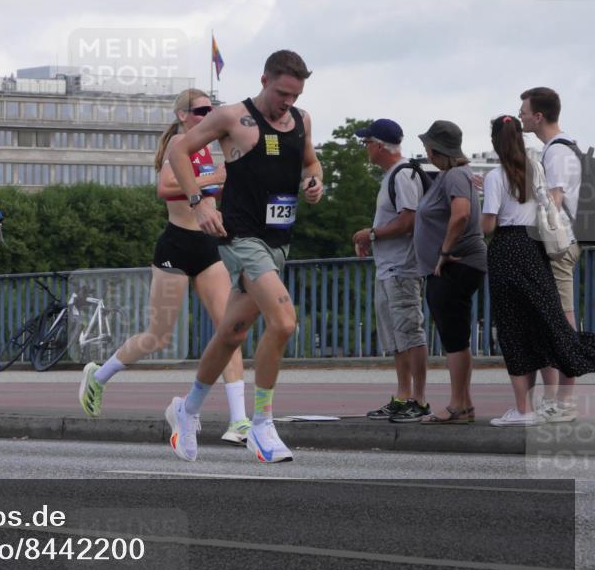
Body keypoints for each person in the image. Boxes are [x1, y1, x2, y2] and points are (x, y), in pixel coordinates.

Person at [164, 50, 324, 463]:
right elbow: (180, 150)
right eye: (282, 92)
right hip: (241, 236)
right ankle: (262, 424)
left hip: (278, 240)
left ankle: (188, 410)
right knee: (284, 322)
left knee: (232, 331)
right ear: (264, 80)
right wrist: (199, 202)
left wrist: (314, 182)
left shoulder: (302, 120)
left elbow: (311, 163)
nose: (287, 102)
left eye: (295, 94)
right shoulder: (233, 117)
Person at [78, 88, 250, 443]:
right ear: (183, 115)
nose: (208, 115)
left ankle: (239, 420)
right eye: (201, 110)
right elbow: (166, 187)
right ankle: (98, 376)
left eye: (211, 109)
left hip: (208, 247)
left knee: (229, 329)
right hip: (175, 246)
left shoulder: (210, 147)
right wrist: (214, 178)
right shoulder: (180, 148)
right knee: (159, 336)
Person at [482, 115, 595, 426]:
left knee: (512, 329)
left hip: (506, 249)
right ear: (520, 139)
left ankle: (523, 409)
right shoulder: (536, 170)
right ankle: (555, 390)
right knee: (543, 321)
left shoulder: (495, 177)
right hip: (534, 248)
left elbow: (489, 224)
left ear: (495, 143)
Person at [352, 119, 430, 423]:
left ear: (380, 146)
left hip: (403, 267)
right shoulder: (391, 176)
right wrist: (373, 238)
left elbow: (408, 220)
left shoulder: (403, 173)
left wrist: (371, 235)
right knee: (397, 336)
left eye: (367, 143)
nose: (366, 149)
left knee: (410, 331)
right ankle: (402, 395)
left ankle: (419, 399)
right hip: (388, 266)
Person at [414, 121, 487, 424]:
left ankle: (458, 404)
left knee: (454, 336)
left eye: (428, 147)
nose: (426, 151)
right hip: (456, 264)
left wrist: (444, 252)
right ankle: (464, 404)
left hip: (456, 263)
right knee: (454, 335)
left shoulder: (455, 175)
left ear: (436, 149)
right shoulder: (452, 175)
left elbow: (461, 214)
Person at [519, 87, 582, 423]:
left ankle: (566, 400)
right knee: (557, 319)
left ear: (538, 116)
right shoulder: (566, 145)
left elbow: (553, 201)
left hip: (558, 245)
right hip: (567, 242)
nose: (521, 116)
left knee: (562, 321)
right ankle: (559, 398)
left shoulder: (556, 152)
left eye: (524, 111)